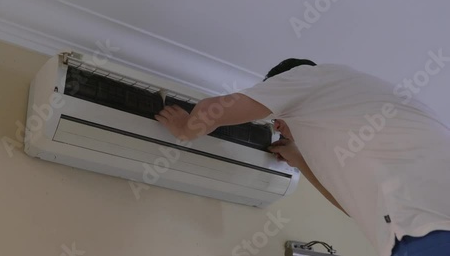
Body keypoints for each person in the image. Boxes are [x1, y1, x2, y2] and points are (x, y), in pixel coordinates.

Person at [155, 58, 450, 256]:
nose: (276, 125)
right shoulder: (364, 103)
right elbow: (354, 207)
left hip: (426, 228)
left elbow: (213, 111)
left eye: (276, 115)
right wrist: (300, 161)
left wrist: (185, 130)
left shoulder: (308, 76)